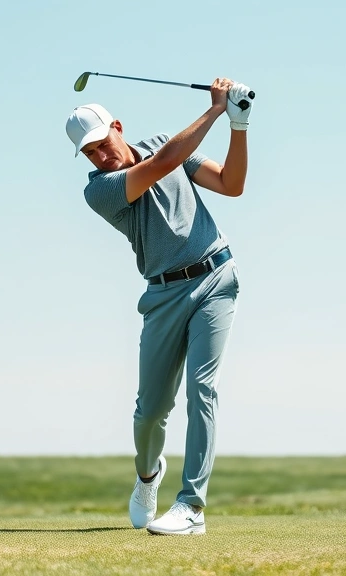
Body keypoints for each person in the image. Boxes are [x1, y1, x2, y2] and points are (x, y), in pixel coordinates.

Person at [65, 77, 252, 535]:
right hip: (164, 295)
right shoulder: (101, 190)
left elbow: (232, 184)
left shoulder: (166, 145)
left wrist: (239, 124)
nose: (99, 156)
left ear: (118, 127)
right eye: (89, 153)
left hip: (216, 277)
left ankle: (191, 507)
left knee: (202, 391)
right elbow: (165, 161)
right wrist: (215, 110)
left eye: (101, 143)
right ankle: (148, 476)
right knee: (150, 411)